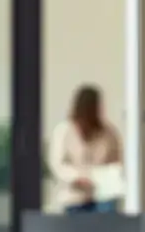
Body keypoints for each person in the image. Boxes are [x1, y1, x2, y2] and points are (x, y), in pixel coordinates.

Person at [48, 85, 124, 213]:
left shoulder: (108, 133)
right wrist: (77, 178)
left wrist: (108, 177)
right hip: (73, 197)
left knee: (106, 220)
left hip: (102, 197)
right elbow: (57, 164)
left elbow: (117, 161)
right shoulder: (64, 131)